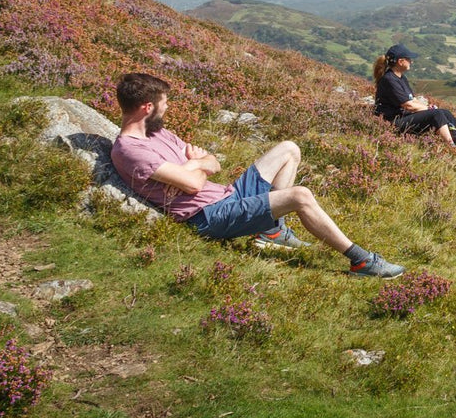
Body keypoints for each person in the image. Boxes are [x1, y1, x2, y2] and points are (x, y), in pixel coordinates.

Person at [110, 73, 404, 278]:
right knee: (300, 196)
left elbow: (213, 163)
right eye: (163, 103)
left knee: (289, 149)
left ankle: (272, 230)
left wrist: (200, 164)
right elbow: (194, 181)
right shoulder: (131, 150)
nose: (168, 107)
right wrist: (196, 166)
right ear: (147, 108)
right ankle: (361, 261)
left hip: (227, 197)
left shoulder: (158, 131)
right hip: (208, 216)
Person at [373, 44, 456, 145]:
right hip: (391, 122)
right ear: (400, 62)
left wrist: (427, 107)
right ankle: (451, 146)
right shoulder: (389, 80)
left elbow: (412, 99)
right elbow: (408, 105)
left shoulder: (401, 78)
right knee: (436, 114)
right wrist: (429, 110)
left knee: (444, 112)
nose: (411, 61)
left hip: (402, 117)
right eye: (409, 59)